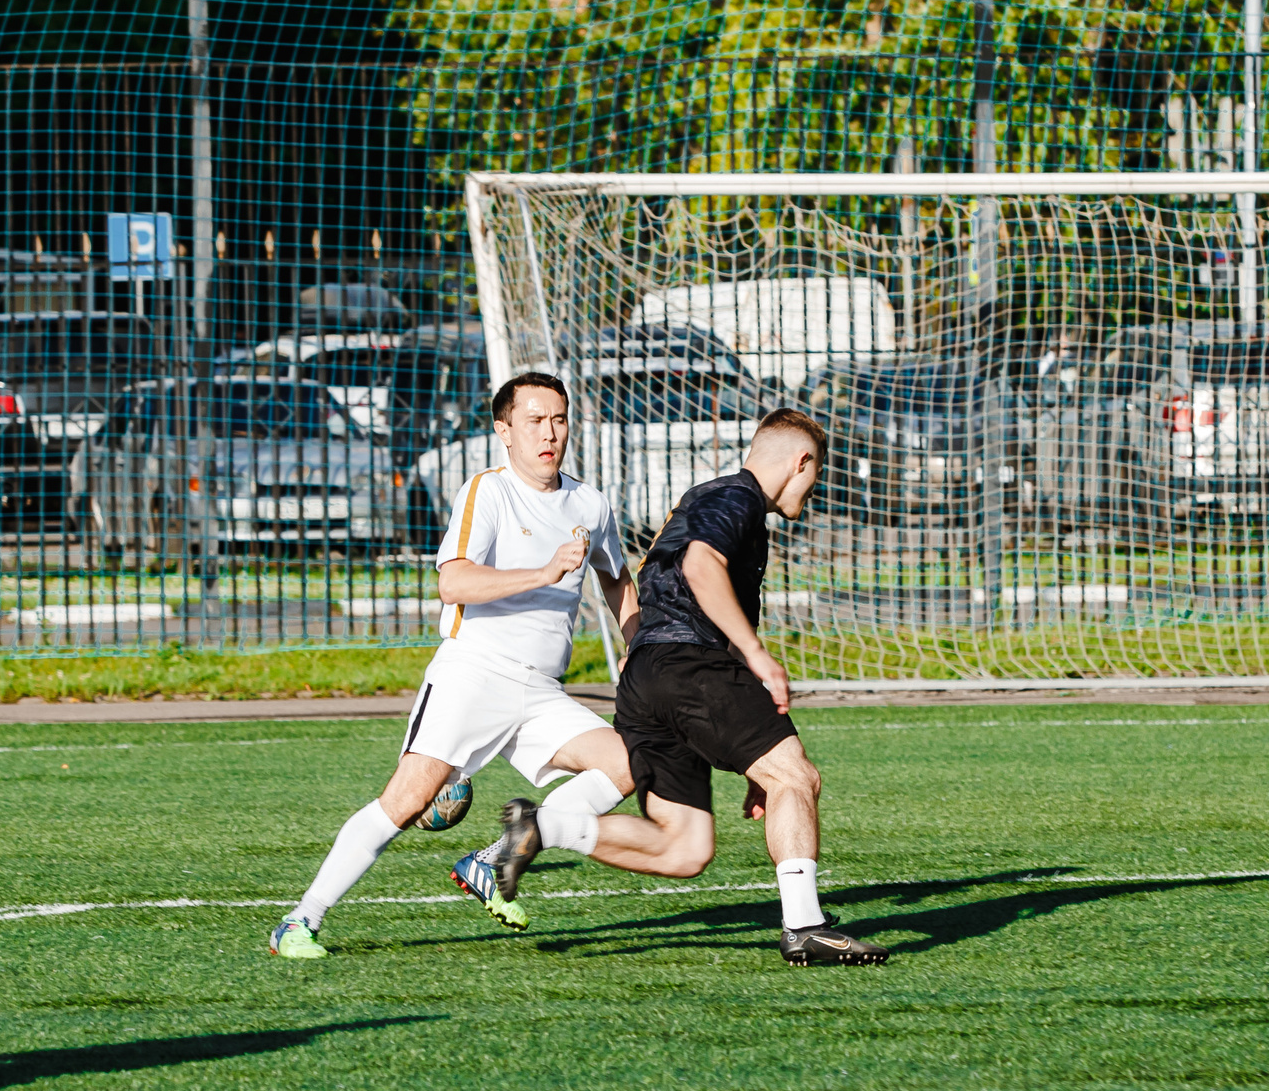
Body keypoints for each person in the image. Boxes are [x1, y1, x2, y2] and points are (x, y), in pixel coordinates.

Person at [493, 408, 891, 966]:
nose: (813, 487)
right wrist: (757, 654)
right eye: (816, 474)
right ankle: (805, 928)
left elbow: (671, 577)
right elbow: (702, 566)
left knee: (683, 848)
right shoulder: (739, 496)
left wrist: (758, 768)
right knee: (798, 776)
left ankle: (544, 825)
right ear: (801, 462)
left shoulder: (703, 499)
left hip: (647, 676)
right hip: (689, 666)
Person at [269, 370, 640, 958]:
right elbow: (454, 582)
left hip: (542, 690)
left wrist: (640, 648)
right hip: (475, 673)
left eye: (559, 419)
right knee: (407, 801)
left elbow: (617, 579)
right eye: (534, 421)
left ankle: (492, 861)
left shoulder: (589, 502)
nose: (549, 433)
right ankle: (300, 920)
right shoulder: (486, 491)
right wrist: (543, 571)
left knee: (628, 763)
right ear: (504, 431)